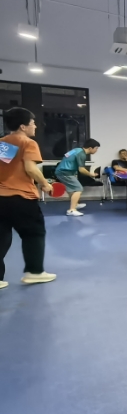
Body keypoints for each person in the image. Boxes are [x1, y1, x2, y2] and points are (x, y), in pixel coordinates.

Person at [0, 107, 57, 289]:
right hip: (21, 197)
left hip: (1, 197)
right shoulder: (28, 143)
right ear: (23, 126)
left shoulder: (4, 143)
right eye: (33, 123)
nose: (35, 127)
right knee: (33, 233)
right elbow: (30, 168)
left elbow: (5, 169)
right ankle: (34, 272)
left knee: (1, 237)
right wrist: (45, 184)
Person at [55, 138, 100, 216]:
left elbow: (66, 157)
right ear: (90, 148)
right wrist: (91, 174)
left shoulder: (76, 150)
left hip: (62, 171)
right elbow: (81, 169)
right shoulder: (81, 154)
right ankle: (72, 210)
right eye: (96, 148)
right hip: (65, 172)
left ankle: (75, 204)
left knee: (71, 189)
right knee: (78, 188)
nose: (96, 150)